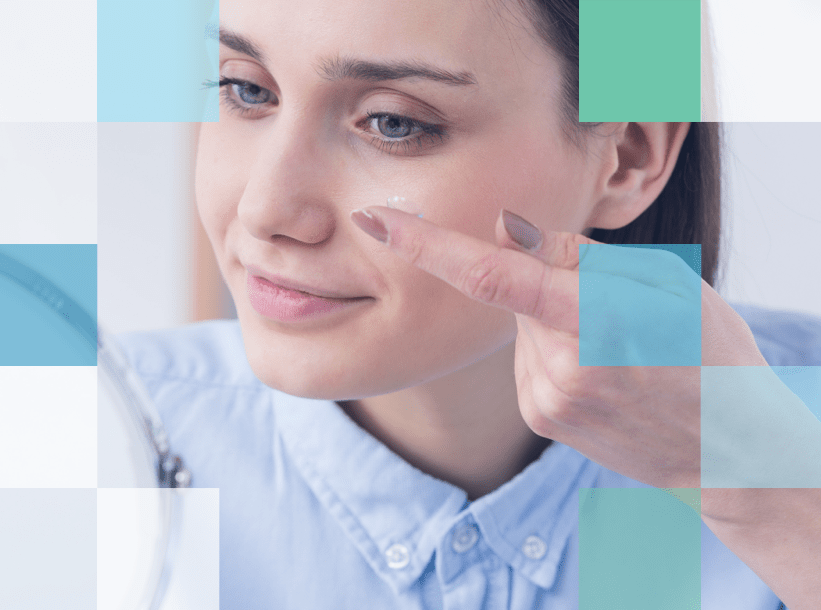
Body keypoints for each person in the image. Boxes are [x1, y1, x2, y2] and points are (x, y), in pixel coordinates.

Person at [115, 0, 821, 607]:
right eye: (244, 90)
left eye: (392, 123)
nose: (266, 208)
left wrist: (765, 492)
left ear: (628, 156)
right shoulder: (86, 440)